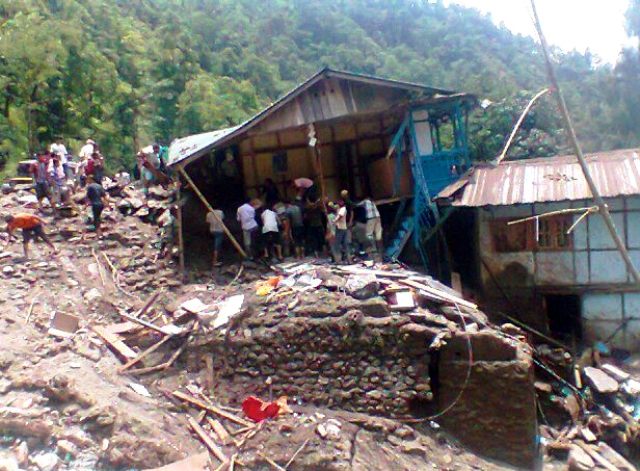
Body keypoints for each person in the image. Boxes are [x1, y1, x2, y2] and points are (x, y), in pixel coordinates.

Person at [360, 197, 383, 261]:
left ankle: (373, 247)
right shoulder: (373, 202)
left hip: (371, 218)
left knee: (368, 234)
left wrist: (347, 199)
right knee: (378, 235)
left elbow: (356, 204)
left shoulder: (365, 201)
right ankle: (380, 252)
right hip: (378, 218)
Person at [334, 199, 351, 263]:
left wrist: (334, 221)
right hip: (343, 227)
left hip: (340, 228)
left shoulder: (343, 209)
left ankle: (338, 260)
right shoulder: (340, 209)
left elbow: (340, 216)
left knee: (337, 244)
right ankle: (348, 260)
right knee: (345, 244)